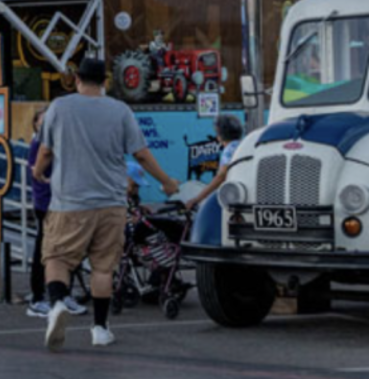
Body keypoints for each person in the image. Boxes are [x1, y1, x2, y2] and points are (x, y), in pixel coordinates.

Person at [33, 57, 179, 351]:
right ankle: (100, 328)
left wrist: (37, 172)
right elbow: (140, 154)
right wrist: (166, 181)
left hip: (70, 202)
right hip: (112, 203)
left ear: (76, 79)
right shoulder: (120, 110)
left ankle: (58, 302)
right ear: (105, 82)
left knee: (57, 258)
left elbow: (46, 151)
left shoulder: (60, 107)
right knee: (103, 268)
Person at [25, 107, 86, 318]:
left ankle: (63, 294)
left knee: (67, 250)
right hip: (47, 205)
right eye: (42, 122)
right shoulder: (39, 145)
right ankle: (37, 298)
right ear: (36, 125)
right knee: (44, 251)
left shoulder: (60, 144)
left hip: (65, 203)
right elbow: (37, 175)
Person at [186, 114, 244, 210]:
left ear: (221, 135)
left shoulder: (229, 150)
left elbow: (221, 176)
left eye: (217, 133)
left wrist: (197, 198)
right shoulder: (242, 145)